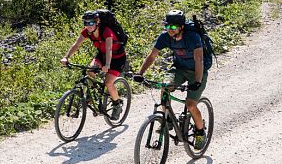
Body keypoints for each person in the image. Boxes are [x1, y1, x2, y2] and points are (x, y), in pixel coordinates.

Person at [136, 9, 209, 147]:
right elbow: (152, 56)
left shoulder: (193, 37)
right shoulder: (165, 37)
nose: (169, 29)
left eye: (173, 27)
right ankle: (167, 120)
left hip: (197, 72)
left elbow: (199, 60)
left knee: (191, 105)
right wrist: (140, 73)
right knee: (165, 87)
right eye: (167, 26)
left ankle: (200, 132)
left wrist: (198, 82)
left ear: (181, 27)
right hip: (179, 69)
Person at [60, 9, 128, 120]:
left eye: (91, 23)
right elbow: (76, 45)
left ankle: (117, 104)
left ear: (97, 22)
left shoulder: (106, 31)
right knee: (90, 70)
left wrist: (107, 65)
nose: (88, 25)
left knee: (109, 83)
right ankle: (92, 94)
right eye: (86, 23)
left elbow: (109, 49)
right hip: (102, 55)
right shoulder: (87, 32)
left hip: (117, 58)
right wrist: (66, 57)